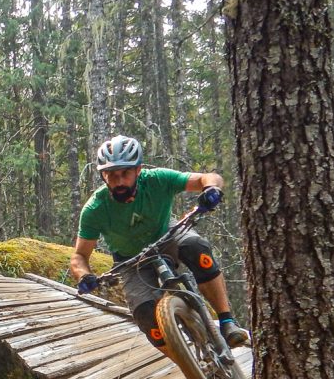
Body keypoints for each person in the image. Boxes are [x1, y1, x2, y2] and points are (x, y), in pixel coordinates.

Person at [69, 134, 249, 350]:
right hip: (131, 260)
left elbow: (208, 177)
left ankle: (227, 321)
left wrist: (212, 189)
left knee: (198, 250)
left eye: (125, 173)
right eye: (110, 175)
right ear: (103, 175)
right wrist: (84, 276)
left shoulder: (157, 179)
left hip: (168, 234)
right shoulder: (94, 209)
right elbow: (79, 256)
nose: (118, 182)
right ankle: (192, 371)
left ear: (138, 169)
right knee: (146, 315)